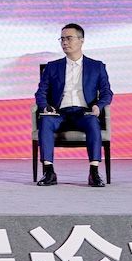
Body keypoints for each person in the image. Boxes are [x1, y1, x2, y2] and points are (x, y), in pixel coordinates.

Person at [35, 22, 112, 188]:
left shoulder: (96, 66)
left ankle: (94, 172)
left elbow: (107, 93)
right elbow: (40, 93)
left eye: (69, 38)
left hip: (83, 113)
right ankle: (49, 172)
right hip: (59, 113)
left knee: (93, 122)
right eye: (62, 39)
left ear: (81, 40)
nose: (64, 42)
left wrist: (98, 106)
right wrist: (45, 107)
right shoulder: (52, 67)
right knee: (45, 121)